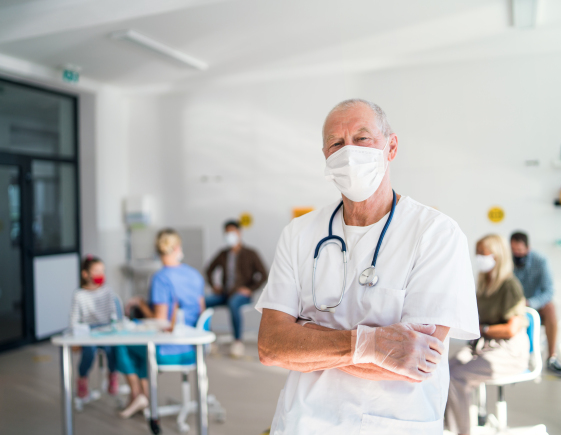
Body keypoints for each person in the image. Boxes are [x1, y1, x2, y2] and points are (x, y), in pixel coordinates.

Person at [255, 99, 480, 434]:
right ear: (326, 158)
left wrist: (309, 337)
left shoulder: (436, 234)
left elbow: (414, 359)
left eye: (362, 139)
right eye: (336, 143)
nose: (349, 152)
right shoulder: (299, 234)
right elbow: (272, 346)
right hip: (303, 423)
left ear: (391, 147)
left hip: (393, 424)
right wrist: (371, 345)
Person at [445, 234, 530, 435]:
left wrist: (483, 330)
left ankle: (461, 431)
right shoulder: (484, 285)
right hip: (483, 346)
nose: (479, 258)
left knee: (457, 377)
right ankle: (448, 427)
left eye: (483, 254)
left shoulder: (510, 286)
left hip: (508, 350)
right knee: (444, 370)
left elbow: (512, 329)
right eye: (478, 254)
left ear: (497, 256)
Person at [116, 228, 205, 418]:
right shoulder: (194, 274)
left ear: (158, 250)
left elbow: (161, 320)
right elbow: (201, 311)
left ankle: (138, 394)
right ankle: (144, 396)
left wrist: (140, 303)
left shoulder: (161, 278)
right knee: (140, 348)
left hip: (170, 351)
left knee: (123, 343)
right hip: (195, 348)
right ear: (178, 248)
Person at [206, 220, 267, 357]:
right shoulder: (223, 253)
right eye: (227, 233)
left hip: (241, 294)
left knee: (234, 303)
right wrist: (214, 286)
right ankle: (209, 340)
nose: (229, 235)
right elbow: (209, 270)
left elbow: (263, 274)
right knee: (203, 302)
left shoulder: (251, 253)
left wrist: (250, 289)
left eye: (232, 232)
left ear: (240, 233)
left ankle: (237, 342)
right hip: (224, 293)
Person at [511, 231, 561, 377]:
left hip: (534, 304)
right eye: (514, 251)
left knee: (550, 307)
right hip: (513, 305)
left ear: (527, 248)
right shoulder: (507, 261)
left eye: (520, 250)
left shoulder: (541, 261)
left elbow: (548, 291)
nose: (517, 254)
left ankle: (552, 357)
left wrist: (529, 303)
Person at [70, 255, 118, 400]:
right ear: (85, 274)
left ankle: (112, 376)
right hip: (88, 331)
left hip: (106, 329)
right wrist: (75, 339)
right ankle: (82, 379)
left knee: (113, 349)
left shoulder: (107, 291)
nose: (100, 274)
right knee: (89, 352)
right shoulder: (79, 295)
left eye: (102, 271)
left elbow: (113, 313)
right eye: (96, 271)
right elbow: (74, 319)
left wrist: (114, 326)